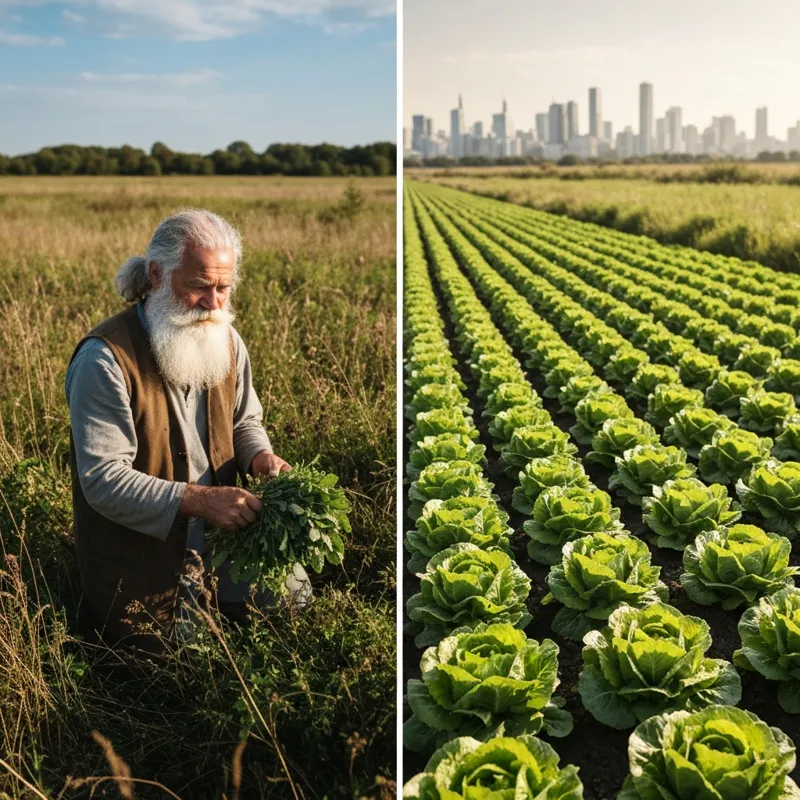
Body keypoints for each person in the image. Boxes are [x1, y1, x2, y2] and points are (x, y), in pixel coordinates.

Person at [66, 208, 311, 649]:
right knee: (180, 655)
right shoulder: (104, 360)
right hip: (146, 555)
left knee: (296, 601)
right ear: (157, 275)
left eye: (224, 287)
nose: (215, 303)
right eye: (199, 287)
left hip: (225, 537)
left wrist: (259, 456)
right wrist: (199, 500)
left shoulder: (226, 338)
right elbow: (102, 481)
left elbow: (245, 420)